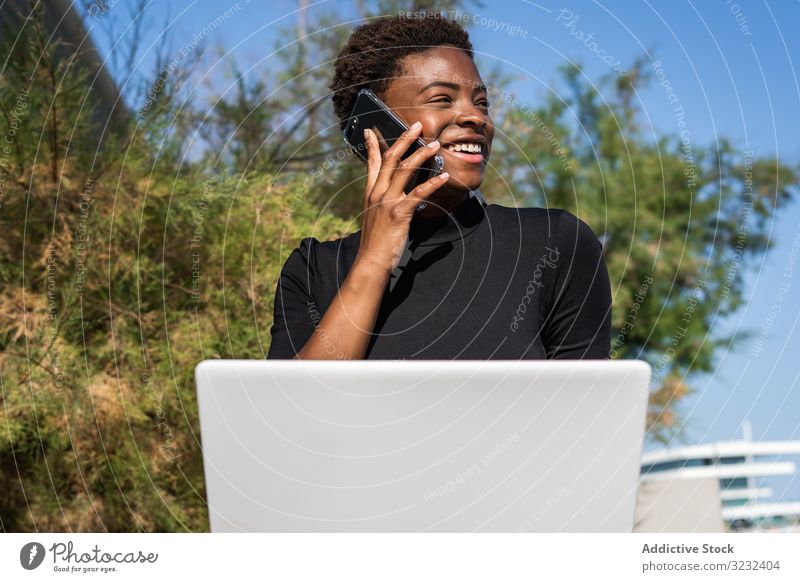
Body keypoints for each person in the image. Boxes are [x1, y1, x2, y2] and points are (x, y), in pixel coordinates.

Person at [267, 12, 611, 360]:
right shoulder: (314, 271)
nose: (476, 117)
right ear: (375, 126)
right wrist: (373, 262)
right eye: (442, 99)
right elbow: (297, 408)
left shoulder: (553, 245)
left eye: (481, 103)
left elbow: (585, 408)